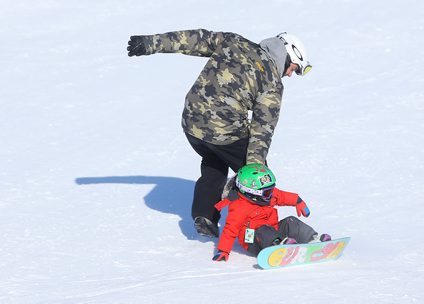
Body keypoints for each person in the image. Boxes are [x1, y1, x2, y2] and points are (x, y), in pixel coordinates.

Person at [127, 29, 312, 238]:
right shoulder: (272, 82)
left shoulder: (234, 41)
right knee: (258, 181)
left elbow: (194, 40)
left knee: (214, 157)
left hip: (192, 124)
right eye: (293, 69)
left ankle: (204, 214)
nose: (289, 74)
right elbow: (262, 130)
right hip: (223, 131)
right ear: (287, 55)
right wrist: (256, 169)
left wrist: (151, 43)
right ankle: (260, 232)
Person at [211, 163, 331, 262]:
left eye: (271, 189)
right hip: (252, 240)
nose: (271, 194)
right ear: (250, 192)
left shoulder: (265, 196)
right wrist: (223, 250)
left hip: (273, 230)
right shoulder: (239, 207)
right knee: (263, 229)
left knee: (290, 222)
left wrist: (298, 201)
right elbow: (230, 230)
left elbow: (281, 195)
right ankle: (280, 248)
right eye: (268, 192)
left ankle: (313, 240)